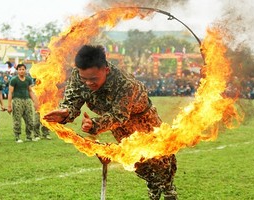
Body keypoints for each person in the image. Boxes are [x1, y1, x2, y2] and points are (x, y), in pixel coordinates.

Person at [43, 45, 177, 200]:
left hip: (144, 120)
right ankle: (154, 185)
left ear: (105, 70)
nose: (88, 83)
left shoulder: (125, 84)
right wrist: (66, 112)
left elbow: (119, 115)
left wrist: (95, 125)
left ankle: (168, 189)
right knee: (138, 162)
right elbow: (72, 101)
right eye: (84, 78)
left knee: (161, 159)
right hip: (119, 126)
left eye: (93, 79)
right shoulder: (78, 75)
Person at [7, 63, 39, 143]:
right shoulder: (14, 80)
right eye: (20, 69)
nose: (21, 71)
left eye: (23, 69)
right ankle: (17, 137)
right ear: (17, 71)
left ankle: (29, 136)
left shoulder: (28, 79)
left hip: (27, 101)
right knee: (17, 119)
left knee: (30, 119)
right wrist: (9, 105)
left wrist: (35, 102)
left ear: (25, 70)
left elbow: (30, 91)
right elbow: (10, 92)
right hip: (17, 100)